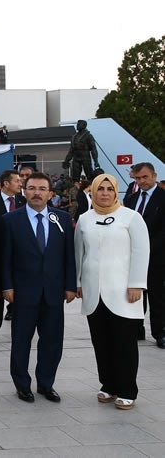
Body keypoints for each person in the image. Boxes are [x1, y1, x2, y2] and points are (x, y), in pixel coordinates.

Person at [1, 172, 76, 404]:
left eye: (42, 189)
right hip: (23, 292)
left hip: (53, 292)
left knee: (52, 341)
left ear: (50, 194)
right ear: (24, 191)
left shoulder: (62, 219)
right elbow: (5, 258)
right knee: (21, 340)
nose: (36, 193)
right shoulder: (11, 220)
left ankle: (46, 383)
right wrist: (7, 286)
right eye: (32, 188)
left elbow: (69, 256)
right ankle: (22, 385)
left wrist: (71, 285)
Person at [75, 173, 149, 410]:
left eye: (109, 189)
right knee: (101, 341)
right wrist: (77, 282)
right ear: (93, 192)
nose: (105, 193)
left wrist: (137, 283)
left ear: (116, 192)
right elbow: (79, 253)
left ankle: (128, 389)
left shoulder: (131, 217)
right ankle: (108, 384)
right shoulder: (85, 219)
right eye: (100, 189)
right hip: (93, 290)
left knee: (124, 343)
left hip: (124, 291)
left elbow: (141, 252)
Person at [122, 162, 165, 348]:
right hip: (133, 259)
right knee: (136, 296)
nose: (141, 181)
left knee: (158, 297)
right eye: (138, 178)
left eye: (145, 177)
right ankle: (137, 330)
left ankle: (160, 333)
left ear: (154, 176)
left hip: (157, 258)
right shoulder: (131, 199)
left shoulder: (163, 197)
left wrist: (147, 250)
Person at [0, 170, 27, 341]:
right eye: (17, 181)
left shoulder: (24, 202)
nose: (20, 184)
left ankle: (22, 326)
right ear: (6, 183)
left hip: (20, 258)